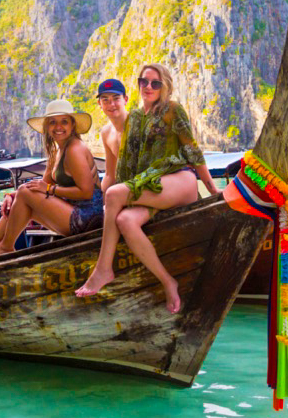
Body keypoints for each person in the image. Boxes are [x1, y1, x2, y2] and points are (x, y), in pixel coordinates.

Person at [76, 64, 218, 313]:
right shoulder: (135, 118)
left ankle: (103, 269)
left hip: (179, 179)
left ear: (165, 86)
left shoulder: (173, 110)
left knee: (115, 194)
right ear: (138, 84)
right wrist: (107, 205)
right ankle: (168, 281)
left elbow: (193, 152)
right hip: (151, 185)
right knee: (125, 220)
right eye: (144, 82)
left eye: (155, 83)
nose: (148, 87)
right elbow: (126, 167)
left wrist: (213, 191)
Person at [0, 99, 101, 258]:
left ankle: (5, 246)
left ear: (72, 125)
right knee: (23, 201)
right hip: (74, 214)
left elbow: (86, 192)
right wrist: (13, 196)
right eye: (53, 122)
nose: (58, 127)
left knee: (24, 193)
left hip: (88, 219)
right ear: (47, 127)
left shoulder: (74, 149)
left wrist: (48, 190)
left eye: (64, 122)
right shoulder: (57, 152)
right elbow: (42, 185)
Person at [95, 78, 128, 193]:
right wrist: (100, 203)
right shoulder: (106, 132)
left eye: (116, 98)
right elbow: (110, 175)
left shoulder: (138, 125)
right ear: (100, 104)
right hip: (124, 189)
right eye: (105, 100)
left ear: (125, 99)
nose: (111, 104)